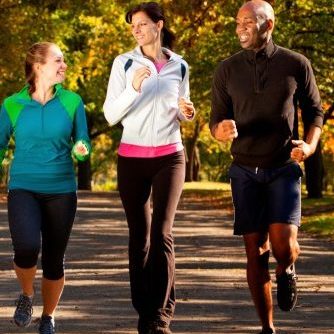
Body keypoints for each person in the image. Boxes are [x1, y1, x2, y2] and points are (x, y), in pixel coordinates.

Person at [210, 1, 323, 333]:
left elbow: (315, 111)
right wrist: (219, 131)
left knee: (282, 246)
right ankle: (267, 328)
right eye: (237, 22)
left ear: (268, 25)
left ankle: (287, 268)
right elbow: (215, 119)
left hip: (282, 167)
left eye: (248, 21)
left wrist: (311, 144)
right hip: (244, 169)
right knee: (255, 252)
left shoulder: (295, 64)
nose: (240, 27)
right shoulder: (226, 70)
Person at [103, 2, 195, 333]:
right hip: (131, 158)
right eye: (133, 26)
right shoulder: (124, 63)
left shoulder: (180, 66)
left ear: (158, 25)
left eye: (142, 24)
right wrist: (133, 88)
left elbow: (181, 110)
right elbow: (111, 114)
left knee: (162, 232)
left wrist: (188, 112)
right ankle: (144, 309)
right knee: (139, 235)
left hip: (170, 156)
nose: (136, 30)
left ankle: (161, 314)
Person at [0, 42, 91, 334]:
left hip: (61, 188)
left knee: (54, 258)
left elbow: (83, 142)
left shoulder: (73, 102)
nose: (64, 65)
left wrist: (80, 150)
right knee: (26, 248)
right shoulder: (12, 104)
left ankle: (48, 316)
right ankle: (27, 295)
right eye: (58, 61)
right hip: (24, 185)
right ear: (39, 66)